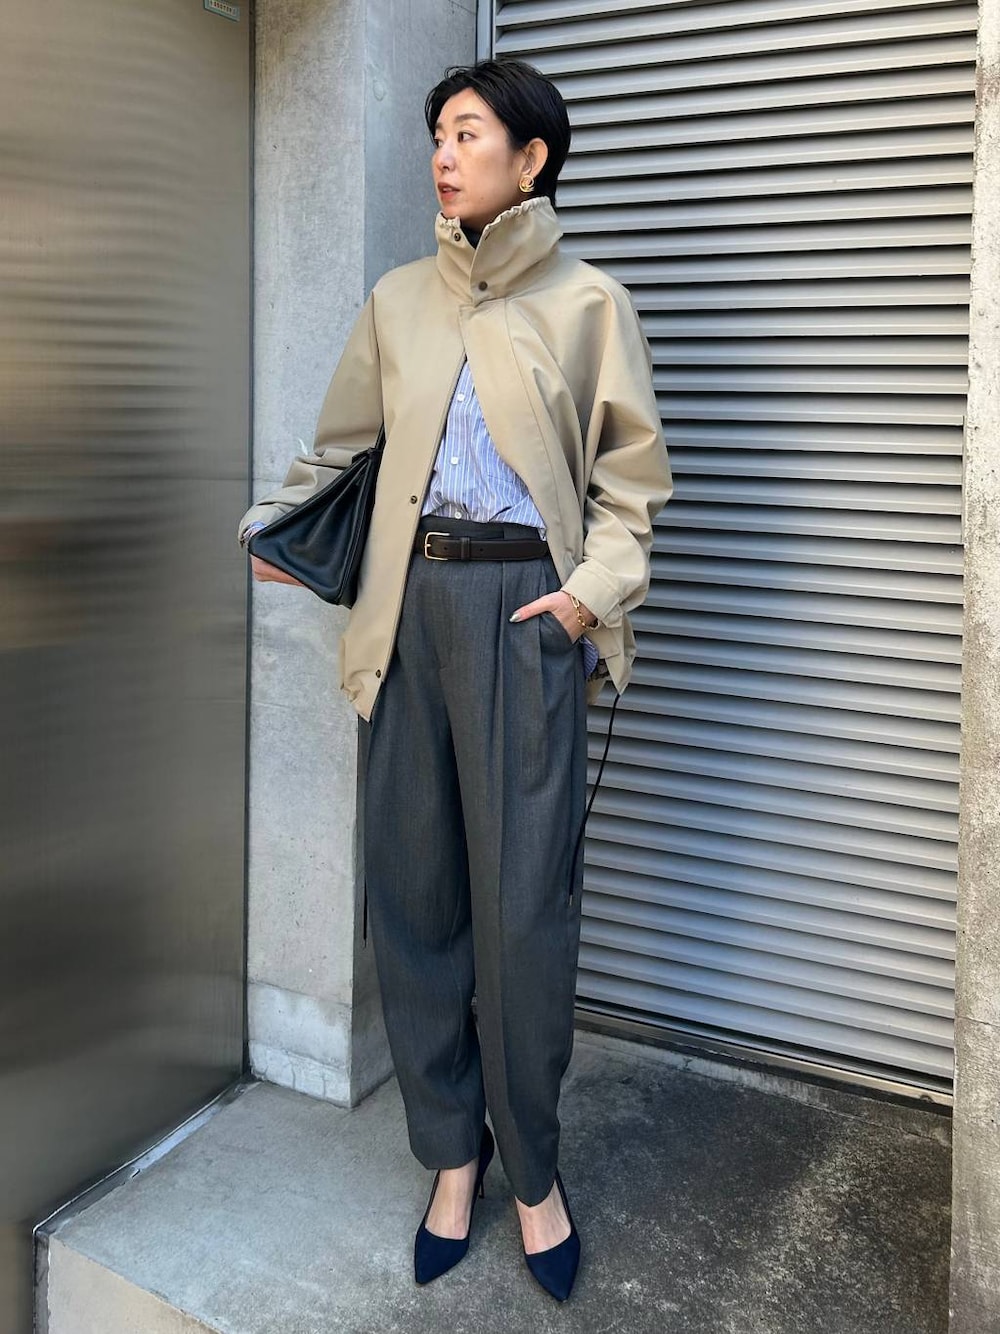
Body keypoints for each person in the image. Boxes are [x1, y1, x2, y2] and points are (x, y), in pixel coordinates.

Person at [237, 58, 672, 1303]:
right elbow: (339, 449)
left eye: (468, 132)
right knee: (415, 896)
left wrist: (586, 596)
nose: (442, 151)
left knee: (522, 913)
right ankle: (450, 1154)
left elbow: (631, 485)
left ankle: (532, 1170)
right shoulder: (397, 300)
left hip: (525, 614)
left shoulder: (589, 304)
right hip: (406, 614)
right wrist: (278, 532)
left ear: (532, 158)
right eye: (436, 131)